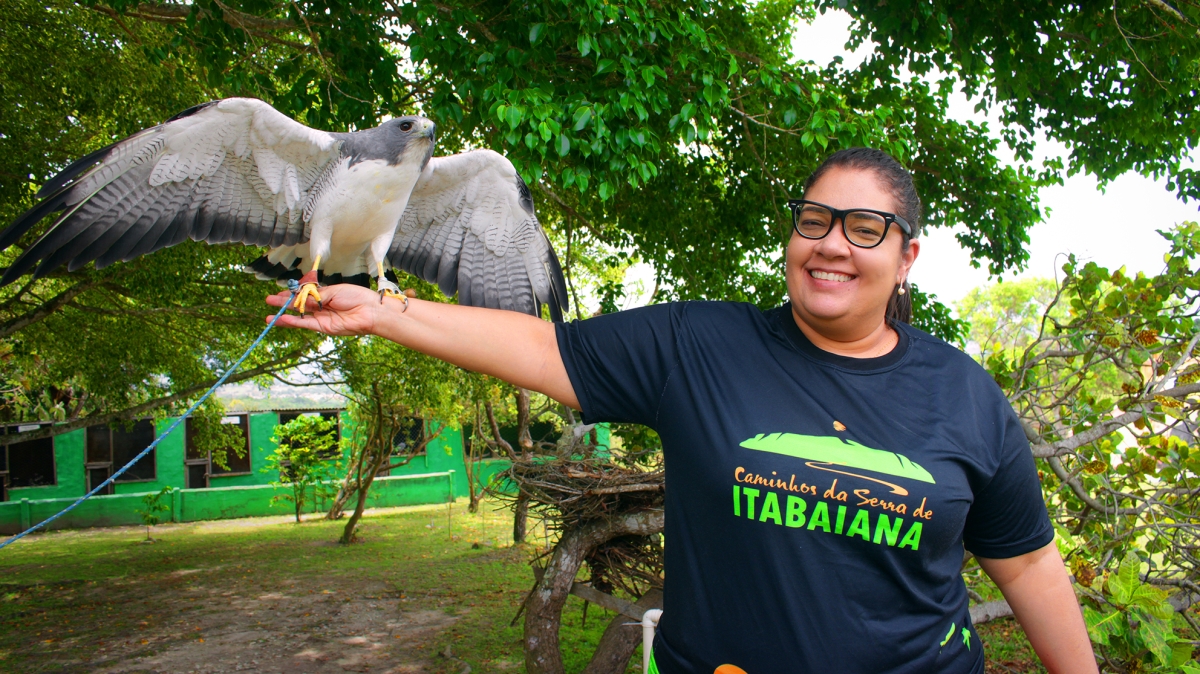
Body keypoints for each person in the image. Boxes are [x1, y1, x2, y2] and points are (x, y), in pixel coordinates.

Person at [266, 148, 1097, 673]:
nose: (832, 243)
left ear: (907, 255)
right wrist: (381, 312)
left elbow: (1025, 564)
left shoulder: (964, 393)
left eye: (865, 228)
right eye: (815, 220)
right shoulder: (701, 342)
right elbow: (544, 348)